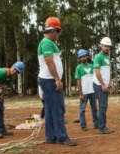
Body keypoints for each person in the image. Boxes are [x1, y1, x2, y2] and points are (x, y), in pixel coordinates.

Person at [37, 16, 77, 146]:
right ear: (53, 30)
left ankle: (51, 137)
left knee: (49, 109)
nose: (59, 35)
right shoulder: (47, 43)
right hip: (50, 81)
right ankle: (62, 137)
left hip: (48, 80)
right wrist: (57, 79)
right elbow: (49, 61)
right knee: (58, 109)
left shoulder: (48, 43)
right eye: (58, 31)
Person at [0, 61, 25, 139]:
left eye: (17, 72)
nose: (15, 72)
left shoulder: (12, 77)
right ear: (12, 66)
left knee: (1, 110)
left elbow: (6, 87)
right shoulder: (2, 72)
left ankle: (2, 129)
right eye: (15, 69)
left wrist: (2, 95)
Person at [93, 37, 115, 134]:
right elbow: (97, 72)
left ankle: (100, 124)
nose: (107, 48)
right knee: (103, 106)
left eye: (108, 46)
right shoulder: (98, 57)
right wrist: (102, 84)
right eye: (105, 46)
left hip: (105, 85)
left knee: (103, 106)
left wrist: (110, 83)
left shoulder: (107, 57)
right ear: (101, 46)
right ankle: (102, 127)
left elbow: (107, 72)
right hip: (99, 85)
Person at [75, 49, 99, 131]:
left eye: (84, 56)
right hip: (84, 92)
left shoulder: (92, 66)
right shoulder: (78, 68)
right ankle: (83, 125)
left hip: (93, 91)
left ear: (86, 56)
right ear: (79, 58)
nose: (82, 58)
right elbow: (78, 81)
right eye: (81, 57)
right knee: (82, 109)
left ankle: (96, 124)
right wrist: (81, 93)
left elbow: (96, 78)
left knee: (94, 108)